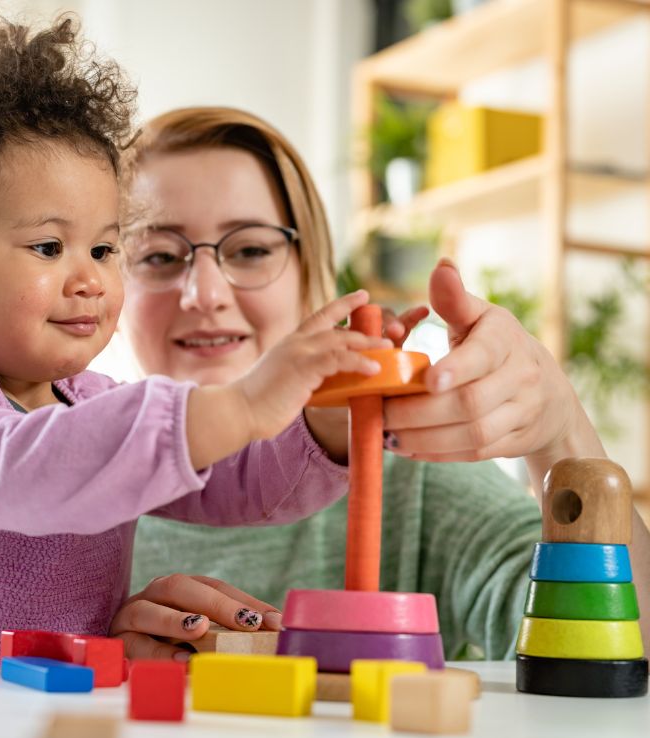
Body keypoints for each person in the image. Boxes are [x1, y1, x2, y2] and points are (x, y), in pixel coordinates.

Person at [0, 10, 392, 665]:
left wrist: (323, 424)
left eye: (106, 248)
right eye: (49, 246)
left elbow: (233, 478)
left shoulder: (95, 403)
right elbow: (21, 469)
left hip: (53, 716)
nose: (91, 279)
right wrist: (241, 404)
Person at [121, 106, 650, 659]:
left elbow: (625, 648)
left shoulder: (409, 481)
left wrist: (560, 434)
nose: (206, 294)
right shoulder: (52, 479)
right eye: (158, 255)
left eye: (251, 250)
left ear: (310, 273)